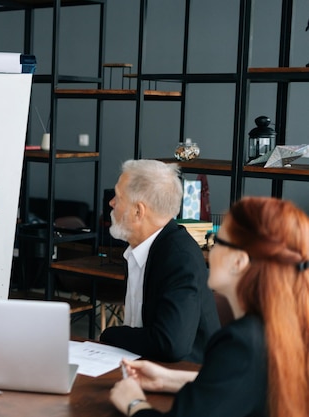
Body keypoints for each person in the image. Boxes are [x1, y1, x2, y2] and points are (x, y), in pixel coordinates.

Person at [110, 196, 309, 417]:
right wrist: (167, 379)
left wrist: (133, 403)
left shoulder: (241, 342)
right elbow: (248, 383)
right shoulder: (281, 326)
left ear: (238, 261)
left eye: (216, 240)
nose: (208, 252)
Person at [99, 159, 219, 363]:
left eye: (118, 197)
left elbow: (171, 343)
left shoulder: (179, 257)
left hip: (186, 379)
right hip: (148, 367)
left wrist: (109, 335)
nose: (111, 203)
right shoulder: (143, 247)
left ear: (138, 211)